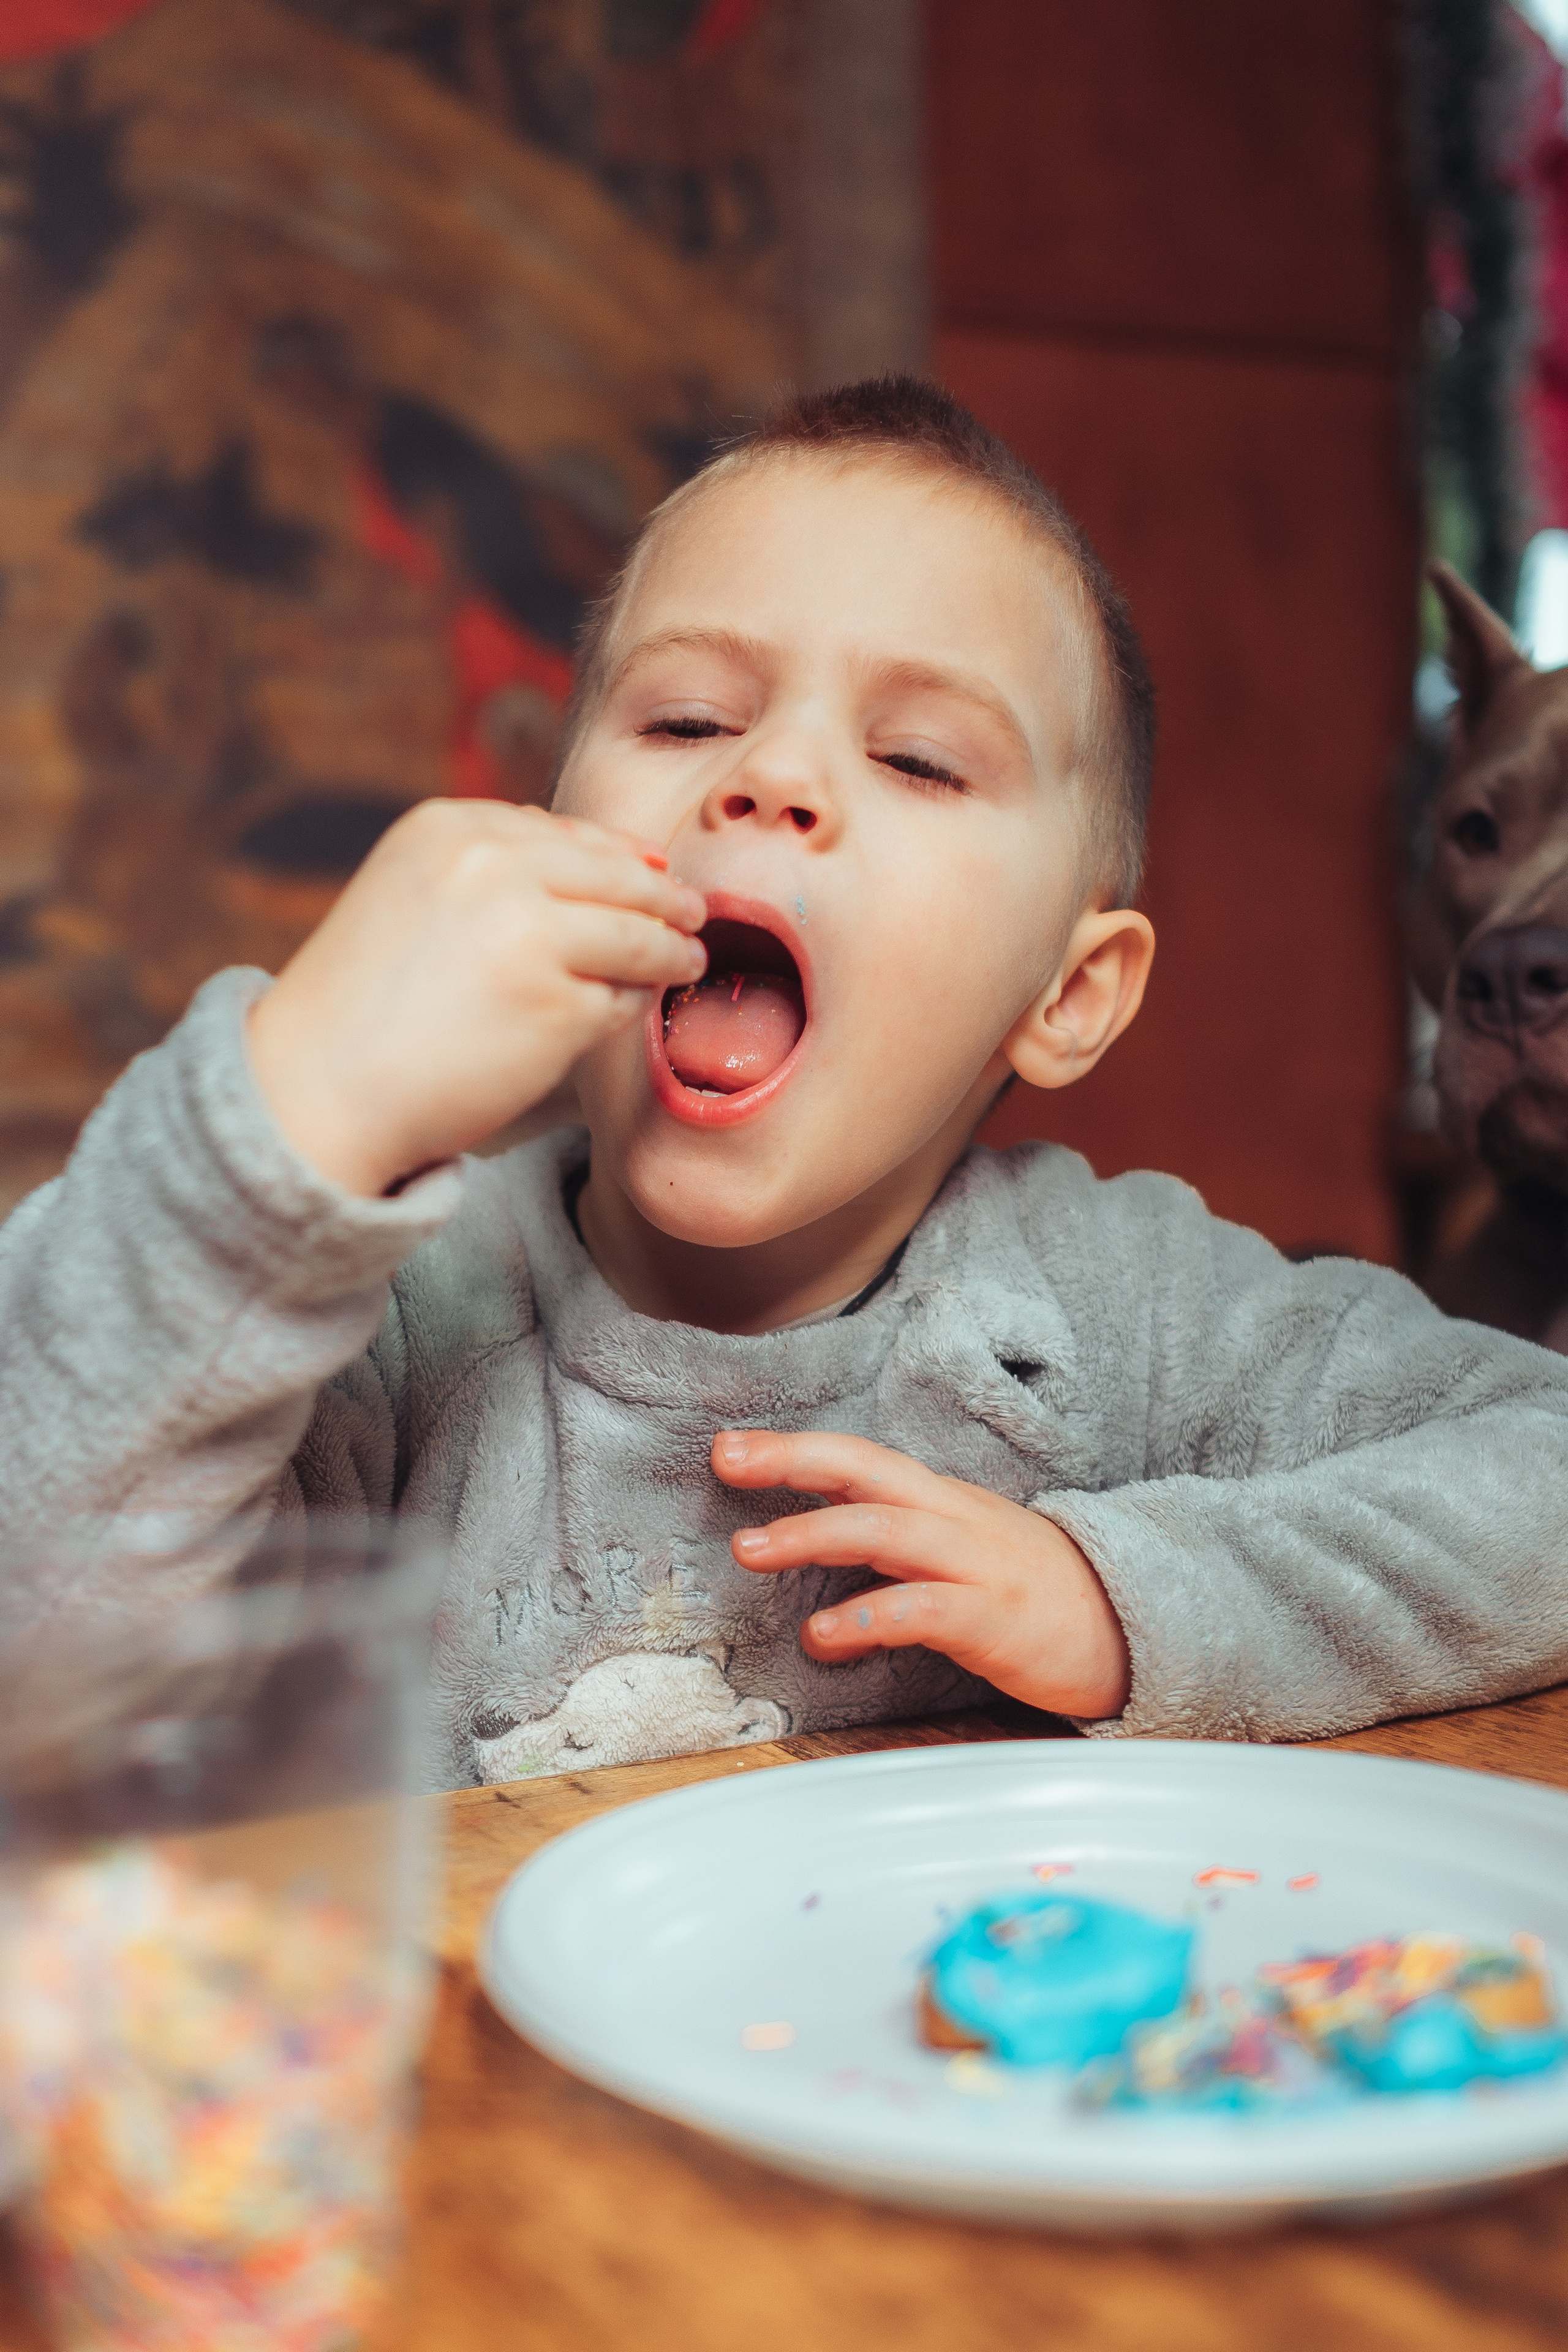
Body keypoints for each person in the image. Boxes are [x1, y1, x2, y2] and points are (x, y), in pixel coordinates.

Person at [3, 377, 1566, 1789]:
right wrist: (289, 1122)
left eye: (918, 759)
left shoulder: (1122, 1318)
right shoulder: (393, 1318)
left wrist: (1120, 1596)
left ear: (1066, 993)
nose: (769, 779)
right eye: (686, 718)